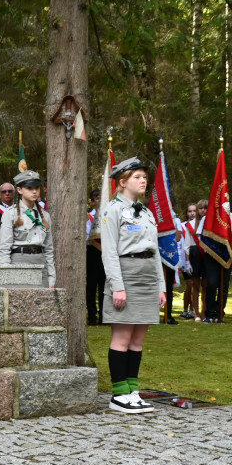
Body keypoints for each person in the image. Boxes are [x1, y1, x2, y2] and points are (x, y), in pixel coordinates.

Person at [100, 157, 164, 414]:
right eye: (137, 177)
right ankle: (118, 395)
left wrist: (161, 286)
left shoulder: (146, 212)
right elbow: (109, 252)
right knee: (123, 337)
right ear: (122, 182)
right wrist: (118, 286)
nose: (143, 180)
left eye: (144, 177)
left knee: (138, 339)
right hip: (126, 275)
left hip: (147, 276)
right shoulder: (113, 210)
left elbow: (155, 251)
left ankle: (132, 391)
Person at [0, 170, 56, 288]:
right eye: (29, 188)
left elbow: (49, 249)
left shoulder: (45, 216)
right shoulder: (10, 214)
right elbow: (5, 247)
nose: (34, 191)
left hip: (40, 263)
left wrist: (51, 277)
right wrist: (5, 275)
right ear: (19, 190)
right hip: (18, 263)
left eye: (36, 188)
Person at [86, 190, 106, 325]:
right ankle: (92, 316)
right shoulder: (88, 217)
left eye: (101, 198)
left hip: (106, 253)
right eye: (97, 198)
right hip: (92, 252)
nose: (99, 200)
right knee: (92, 286)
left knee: (104, 286)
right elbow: (87, 235)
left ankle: (104, 316)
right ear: (92, 201)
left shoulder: (108, 216)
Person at [180, 203, 202, 319]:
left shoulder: (200, 224)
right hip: (185, 259)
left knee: (195, 284)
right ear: (186, 213)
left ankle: (193, 310)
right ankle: (185, 309)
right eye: (190, 211)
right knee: (189, 285)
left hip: (196, 257)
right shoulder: (183, 225)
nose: (192, 213)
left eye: (194, 211)